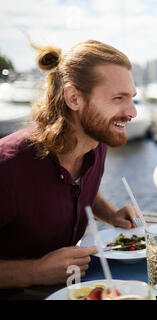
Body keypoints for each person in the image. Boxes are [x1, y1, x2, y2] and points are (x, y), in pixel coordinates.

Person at [0, 40, 140, 293]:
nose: (132, 112)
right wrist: (36, 270)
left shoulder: (97, 141)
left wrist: (110, 214)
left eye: (132, 98)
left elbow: (78, 186)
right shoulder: (8, 167)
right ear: (74, 98)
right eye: (118, 98)